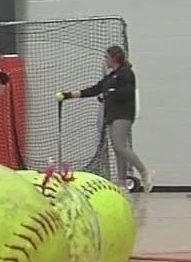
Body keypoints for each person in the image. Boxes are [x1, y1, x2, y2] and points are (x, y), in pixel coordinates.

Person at [62, 45, 153, 192]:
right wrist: (69, 95)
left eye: (106, 57)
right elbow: (95, 89)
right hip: (112, 115)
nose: (105, 60)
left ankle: (144, 172)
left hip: (123, 115)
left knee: (120, 146)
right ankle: (122, 182)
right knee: (117, 150)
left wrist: (109, 93)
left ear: (114, 58)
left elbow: (126, 92)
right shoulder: (111, 77)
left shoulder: (126, 74)